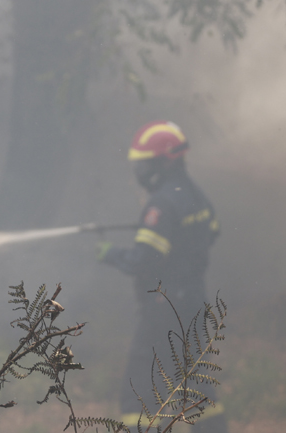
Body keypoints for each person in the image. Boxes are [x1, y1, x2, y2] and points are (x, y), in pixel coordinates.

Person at [97, 120, 227, 432]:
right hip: (193, 303)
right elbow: (212, 230)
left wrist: (110, 253)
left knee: (139, 393)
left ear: (164, 162)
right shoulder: (194, 193)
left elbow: (145, 261)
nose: (140, 173)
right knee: (196, 389)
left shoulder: (161, 203)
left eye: (144, 165)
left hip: (163, 310)